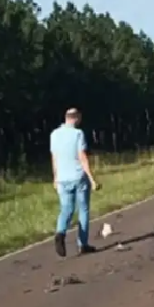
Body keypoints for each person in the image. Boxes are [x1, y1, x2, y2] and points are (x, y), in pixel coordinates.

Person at [50, 108, 98, 257]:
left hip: (62, 178)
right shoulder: (78, 134)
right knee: (83, 209)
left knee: (66, 209)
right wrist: (92, 178)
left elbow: (54, 157)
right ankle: (82, 244)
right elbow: (82, 156)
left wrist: (55, 177)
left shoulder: (54, 134)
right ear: (76, 118)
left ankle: (60, 233)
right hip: (78, 176)